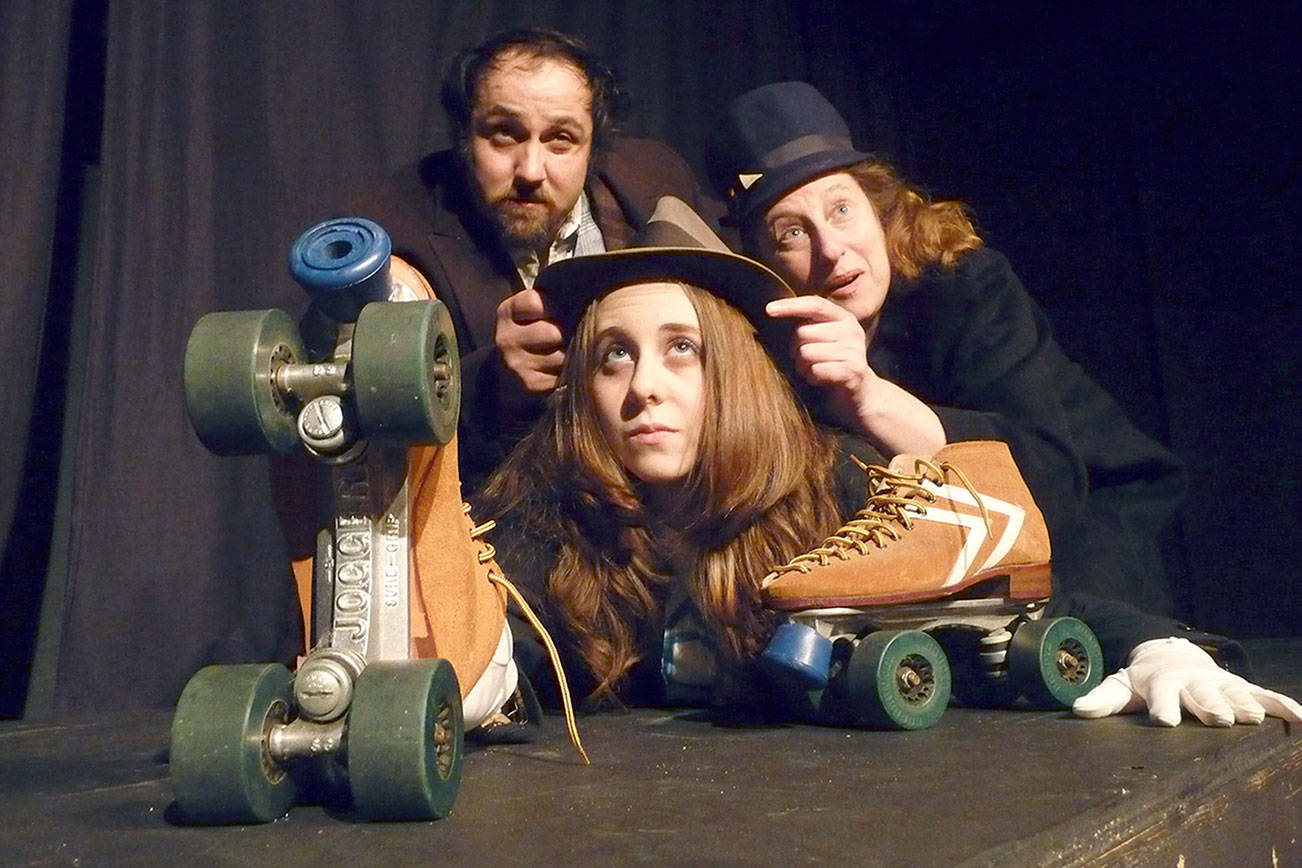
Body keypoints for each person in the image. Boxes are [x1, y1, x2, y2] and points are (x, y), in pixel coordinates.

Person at [477, 196, 1301, 728]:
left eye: (681, 350)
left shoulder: (836, 490)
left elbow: (1000, 605)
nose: (643, 388)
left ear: (734, 374)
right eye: (613, 357)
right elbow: (491, 645)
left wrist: (1163, 647)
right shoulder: (548, 519)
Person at [703, 82, 1187, 616]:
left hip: (1088, 522)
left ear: (879, 211)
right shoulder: (763, 344)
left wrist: (869, 397)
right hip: (929, 551)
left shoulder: (964, 288)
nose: (830, 248)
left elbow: (1048, 478)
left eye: (841, 209)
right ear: (762, 263)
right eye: (791, 233)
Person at [348, 27, 721, 491]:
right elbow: (360, 422)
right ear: (464, 136)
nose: (529, 171)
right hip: (503, 513)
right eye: (504, 134)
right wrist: (493, 385)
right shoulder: (391, 235)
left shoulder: (655, 181)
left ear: (594, 149)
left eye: (561, 139)